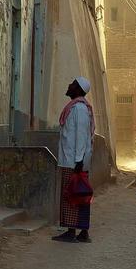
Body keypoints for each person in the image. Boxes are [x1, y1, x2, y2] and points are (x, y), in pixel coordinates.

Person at [52, 77, 95, 243]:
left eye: (73, 84)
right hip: (74, 160)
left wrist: (78, 160)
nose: (69, 85)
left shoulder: (79, 109)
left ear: (78, 89)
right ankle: (83, 232)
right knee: (81, 194)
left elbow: (81, 135)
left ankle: (71, 232)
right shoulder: (76, 107)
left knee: (72, 195)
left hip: (74, 162)